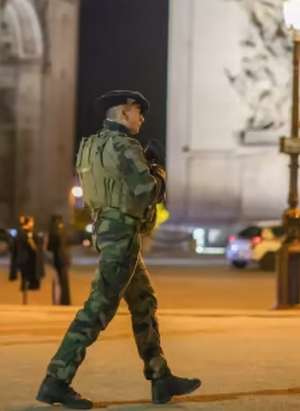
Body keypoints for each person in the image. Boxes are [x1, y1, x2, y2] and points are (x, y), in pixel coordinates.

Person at [37, 90, 201, 409]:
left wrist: (145, 165)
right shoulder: (125, 145)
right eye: (138, 112)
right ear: (124, 113)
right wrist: (159, 170)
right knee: (97, 309)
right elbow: (145, 191)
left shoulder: (91, 145)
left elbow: (112, 183)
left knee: (143, 301)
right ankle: (55, 380)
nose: (141, 118)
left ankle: (160, 377)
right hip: (122, 233)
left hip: (106, 229)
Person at [46, 215, 72, 306]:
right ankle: (66, 300)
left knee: (57, 281)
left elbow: (50, 247)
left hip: (57, 258)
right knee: (65, 280)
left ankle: (57, 300)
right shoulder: (65, 230)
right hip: (66, 257)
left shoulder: (53, 231)